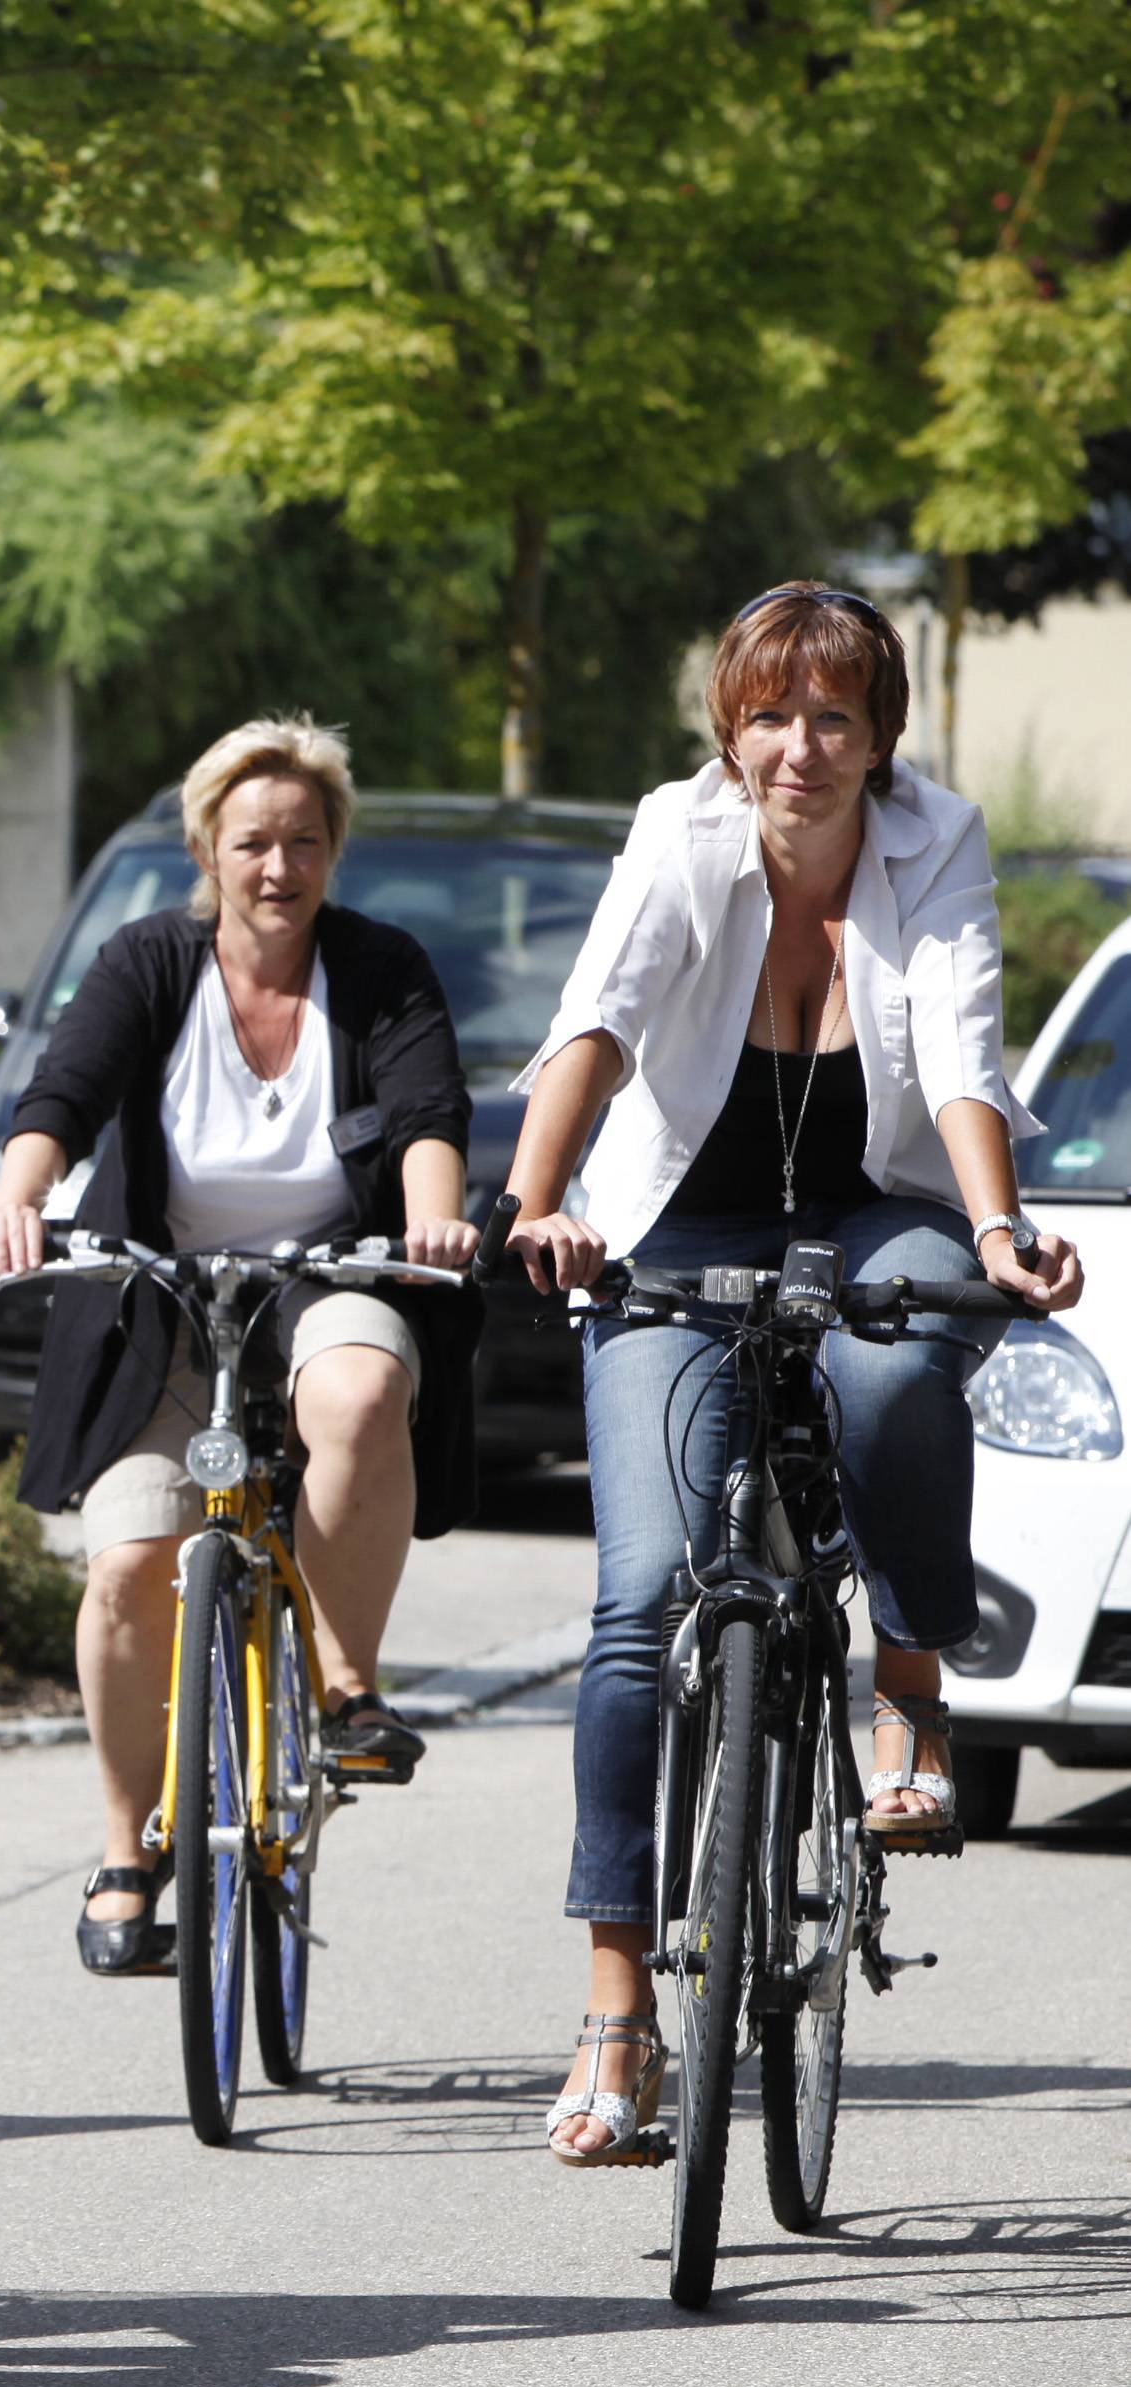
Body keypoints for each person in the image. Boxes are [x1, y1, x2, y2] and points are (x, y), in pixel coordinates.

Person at [497, 582, 1082, 2167]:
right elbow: (596, 1022)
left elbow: (961, 1054)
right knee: (637, 1600)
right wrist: (537, 1202)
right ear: (729, 728)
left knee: (896, 1384)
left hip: (883, 1202)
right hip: (676, 1215)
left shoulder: (934, 839)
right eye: (770, 714)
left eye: (835, 716)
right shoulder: (676, 837)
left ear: (880, 735)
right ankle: (620, 2012)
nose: (799, 748)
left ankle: (907, 1688)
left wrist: (1000, 1227)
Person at [0, 717, 482, 1978]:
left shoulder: (380, 967)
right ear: (207, 848)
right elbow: (62, 1094)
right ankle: (126, 1847)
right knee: (132, 1561)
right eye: (251, 841)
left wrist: (430, 1209)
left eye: (305, 840)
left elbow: (424, 1111)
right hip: (164, 1298)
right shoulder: (148, 959)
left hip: (328, 1271)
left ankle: (345, 1685)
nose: (277, 865)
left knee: (362, 1389)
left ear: (331, 851)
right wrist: (20, 1192)